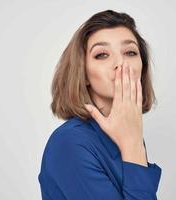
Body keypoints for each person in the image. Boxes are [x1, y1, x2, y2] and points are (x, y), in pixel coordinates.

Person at [38, 9, 162, 200]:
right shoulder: (70, 142)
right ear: (84, 73)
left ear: (142, 68)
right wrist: (132, 145)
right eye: (102, 55)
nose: (121, 63)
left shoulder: (127, 133)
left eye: (130, 52)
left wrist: (133, 144)